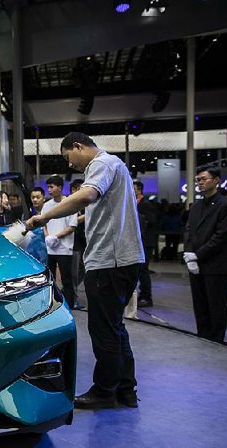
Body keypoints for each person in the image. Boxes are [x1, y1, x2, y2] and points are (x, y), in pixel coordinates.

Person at [26, 132, 144, 410]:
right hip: (124, 259)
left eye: (69, 157)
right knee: (115, 327)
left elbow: (87, 195)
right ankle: (125, 389)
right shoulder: (116, 165)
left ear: (78, 146)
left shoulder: (101, 164)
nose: (70, 165)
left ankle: (104, 392)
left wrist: (43, 216)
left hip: (109, 262)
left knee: (103, 329)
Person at [183, 166, 227, 343]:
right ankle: (203, 337)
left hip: (217, 265)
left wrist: (197, 255)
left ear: (216, 180)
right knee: (200, 305)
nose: (200, 182)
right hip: (196, 264)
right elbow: (189, 230)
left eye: (204, 179)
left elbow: (220, 236)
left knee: (216, 305)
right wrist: (188, 253)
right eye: (198, 179)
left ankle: (216, 340)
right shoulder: (196, 206)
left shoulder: (226, 205)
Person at [42, 176, 77, 310]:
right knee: (50, 278)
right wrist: (48, 237)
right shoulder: (47, 205)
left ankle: (70, 304)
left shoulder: (70, 203)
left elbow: (72, 226)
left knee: (67, 279)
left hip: (64, 248)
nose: (49, 190)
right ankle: (53, 304)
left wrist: (56, 236)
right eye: (48, 187)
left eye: (52, 187)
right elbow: (43, 223)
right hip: (50, 247)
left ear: (60, 187)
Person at [133, 181, 158, 307]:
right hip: (138, 241)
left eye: (134, 188)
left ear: (139, 190)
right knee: (139, 270)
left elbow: (152, 221)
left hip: (146, 242)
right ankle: (141, 295)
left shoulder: (146, 204)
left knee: (143, 270)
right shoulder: (133, 203)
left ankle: (146, 297)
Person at [70, 179, 87, 303]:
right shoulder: (70, 203)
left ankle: (71, 290)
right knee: (74, 271)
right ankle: (73, 295)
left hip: (83, 240)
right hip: (72, 242)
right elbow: (73, 221)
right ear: (74, 190)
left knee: (84, 269)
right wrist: (88, 215)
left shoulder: (85, 203)